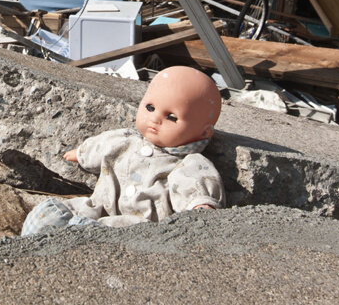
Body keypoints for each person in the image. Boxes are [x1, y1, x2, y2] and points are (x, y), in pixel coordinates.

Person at [22, 66, 224, 234]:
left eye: (171, 117)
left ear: (204, 132)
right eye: (150, 108)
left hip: (140, 226)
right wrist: (82, 153)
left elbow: (196, 184)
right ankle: (31, 244)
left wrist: (200, 204)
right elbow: (103, 146)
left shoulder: (187, 163)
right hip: (100, 206)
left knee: (89, 231)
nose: (155, 119)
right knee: (54, 214)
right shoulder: (126, 140)